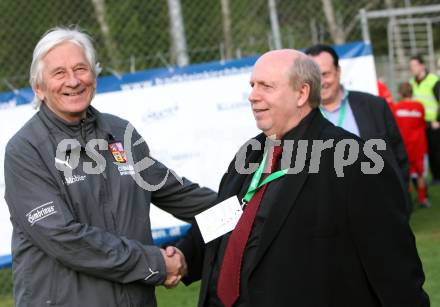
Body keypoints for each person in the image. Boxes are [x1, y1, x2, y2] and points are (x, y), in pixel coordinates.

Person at [176, 49, 429, 307]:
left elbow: (395, 269)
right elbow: (227, 213)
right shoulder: (251, 152)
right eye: (252, 85)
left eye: (266, 86)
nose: (253, 95)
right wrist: (184, 254)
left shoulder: (357, 162)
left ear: (302, 93)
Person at [3, 27, 216, 307]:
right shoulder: (26, 150)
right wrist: (155, 264)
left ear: (94, 75)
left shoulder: (120, 132)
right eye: (59, 73)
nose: (73, 81)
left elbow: (178, 193)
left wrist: (250, 205)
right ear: (39, 88)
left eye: (81, 68)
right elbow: (65, 239)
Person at [304, 44, 409, 193]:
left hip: (375, 200)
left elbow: (399, 156)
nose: (321, 82)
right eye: (314, 76)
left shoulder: (374, 106)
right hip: (327, 208)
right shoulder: (299, 117)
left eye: (325, 74)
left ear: (338, 71)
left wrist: (400, 198)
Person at [393, 82, 429, 208]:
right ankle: (423, 199)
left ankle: (408, 201)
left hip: (404, 146)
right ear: (411, 92)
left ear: (400, 93)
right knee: (420, 174)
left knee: (405, 174)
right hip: (419, 145)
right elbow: (422, 122)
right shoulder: (419, 106)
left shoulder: (396, 108)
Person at [409, 54, 440, 183]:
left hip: (433, 123)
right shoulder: (411, 82)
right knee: (421, 151)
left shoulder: (434, 80)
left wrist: (438, 120)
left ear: (422, 66)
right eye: (411, 66)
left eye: (415, 65)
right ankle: (422, 176)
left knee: (435, 151)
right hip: (418, 124)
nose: (412, 68)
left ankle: (437, 177)